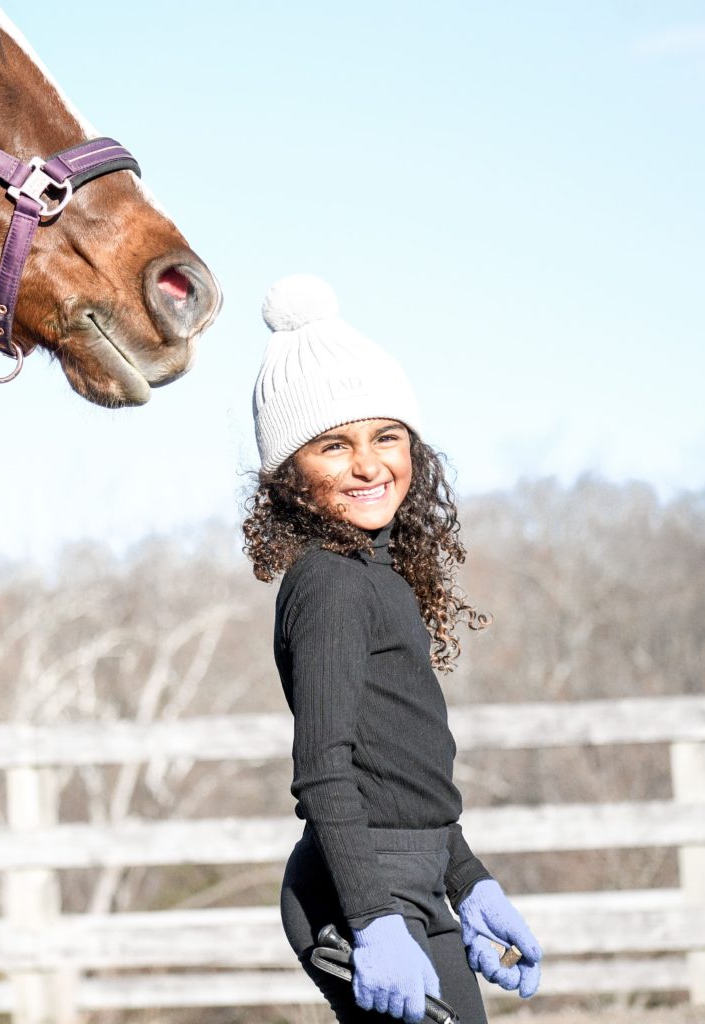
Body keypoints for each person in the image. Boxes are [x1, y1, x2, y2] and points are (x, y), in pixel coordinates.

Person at [243, 274, 542, 1023]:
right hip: (360, 890)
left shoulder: (381, 576)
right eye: (334, 446)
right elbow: (324, 772)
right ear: (289, 475)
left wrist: (468, 879)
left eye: (387, 436)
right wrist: (374, 921)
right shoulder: (330, 585)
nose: (370, 464)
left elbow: (403, 769)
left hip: (412, 874)